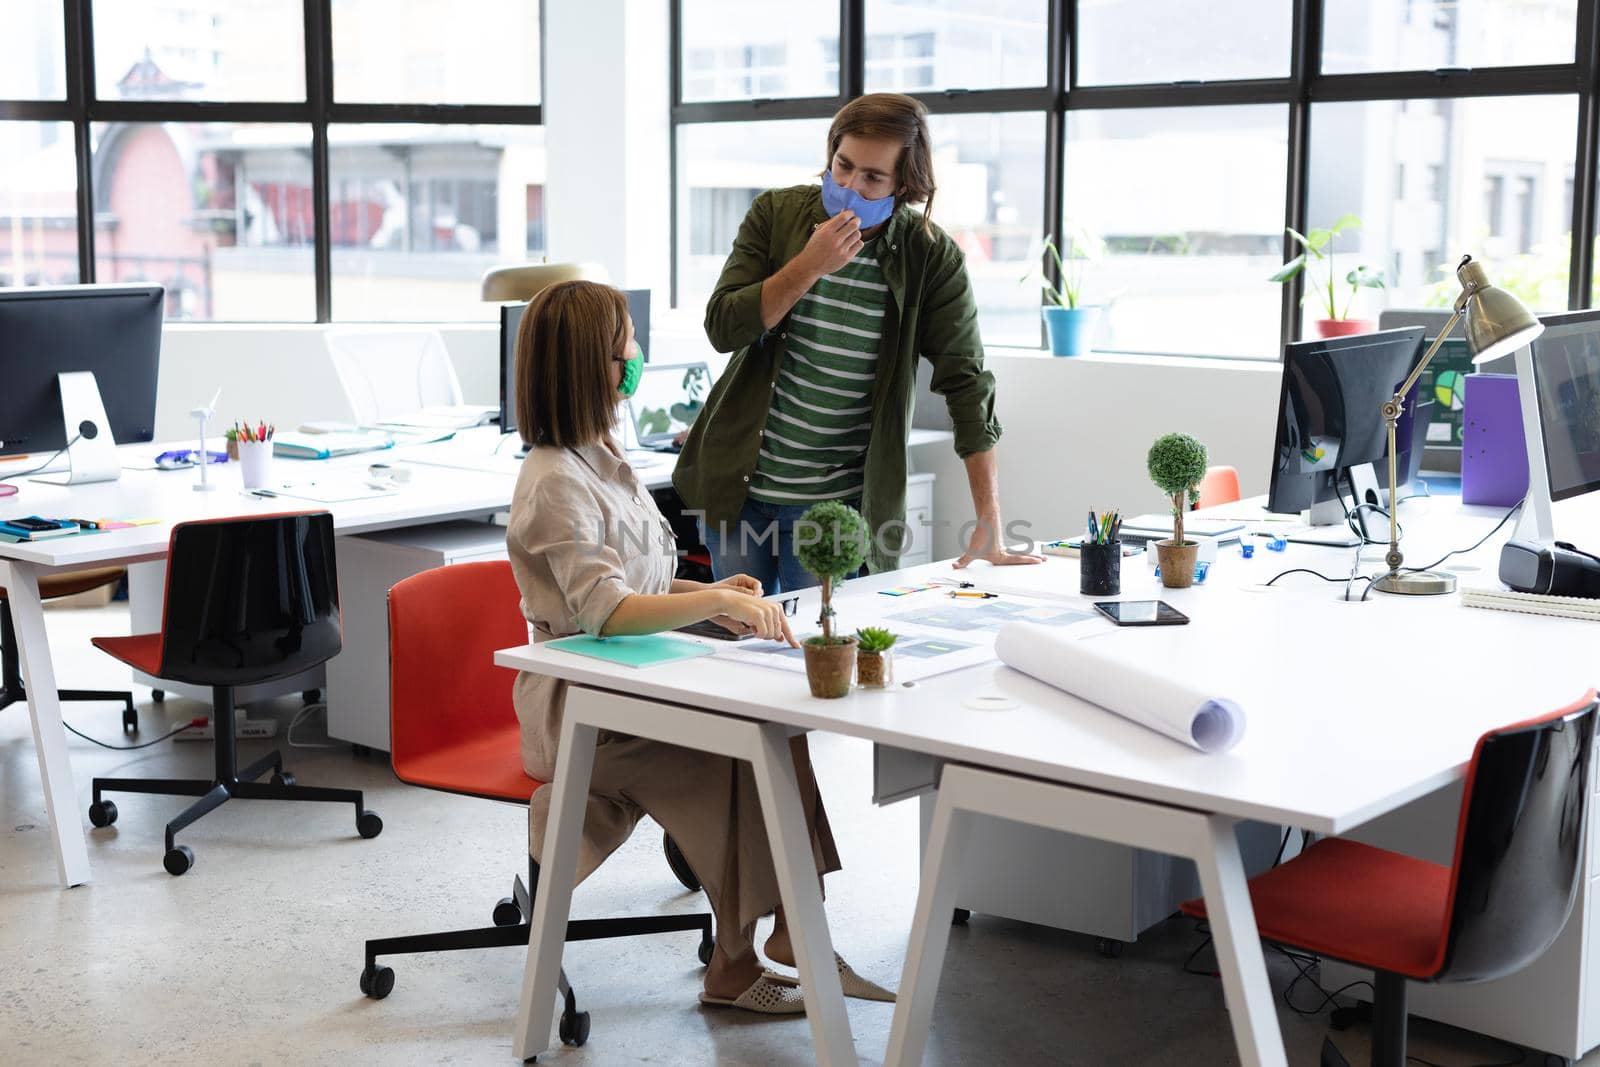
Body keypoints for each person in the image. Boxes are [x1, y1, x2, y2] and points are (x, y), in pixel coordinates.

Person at [505, 280, 886, 1013]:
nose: (635, 352)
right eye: (624, 342)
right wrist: (710, 600)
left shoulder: (599, 452)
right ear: (593, 362)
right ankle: (742, 960)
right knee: (730, 752)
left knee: (773, 732)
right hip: (580, 706)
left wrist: (716, 589)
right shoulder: (552, 481)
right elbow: (607, 611)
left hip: (628, 682)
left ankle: (787, 929)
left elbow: (636, 579)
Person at [675, 92, 1044, 593]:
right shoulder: (775, 214)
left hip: (835, 508)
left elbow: (968, 384)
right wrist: (811, 264)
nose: (850, 186)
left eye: (872, 178)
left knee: (823, 651)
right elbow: (722, 327)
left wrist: (990, 520)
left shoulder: (930, 258)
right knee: (742, 647)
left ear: (905, 185)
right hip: (736, 491)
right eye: (842, 166)